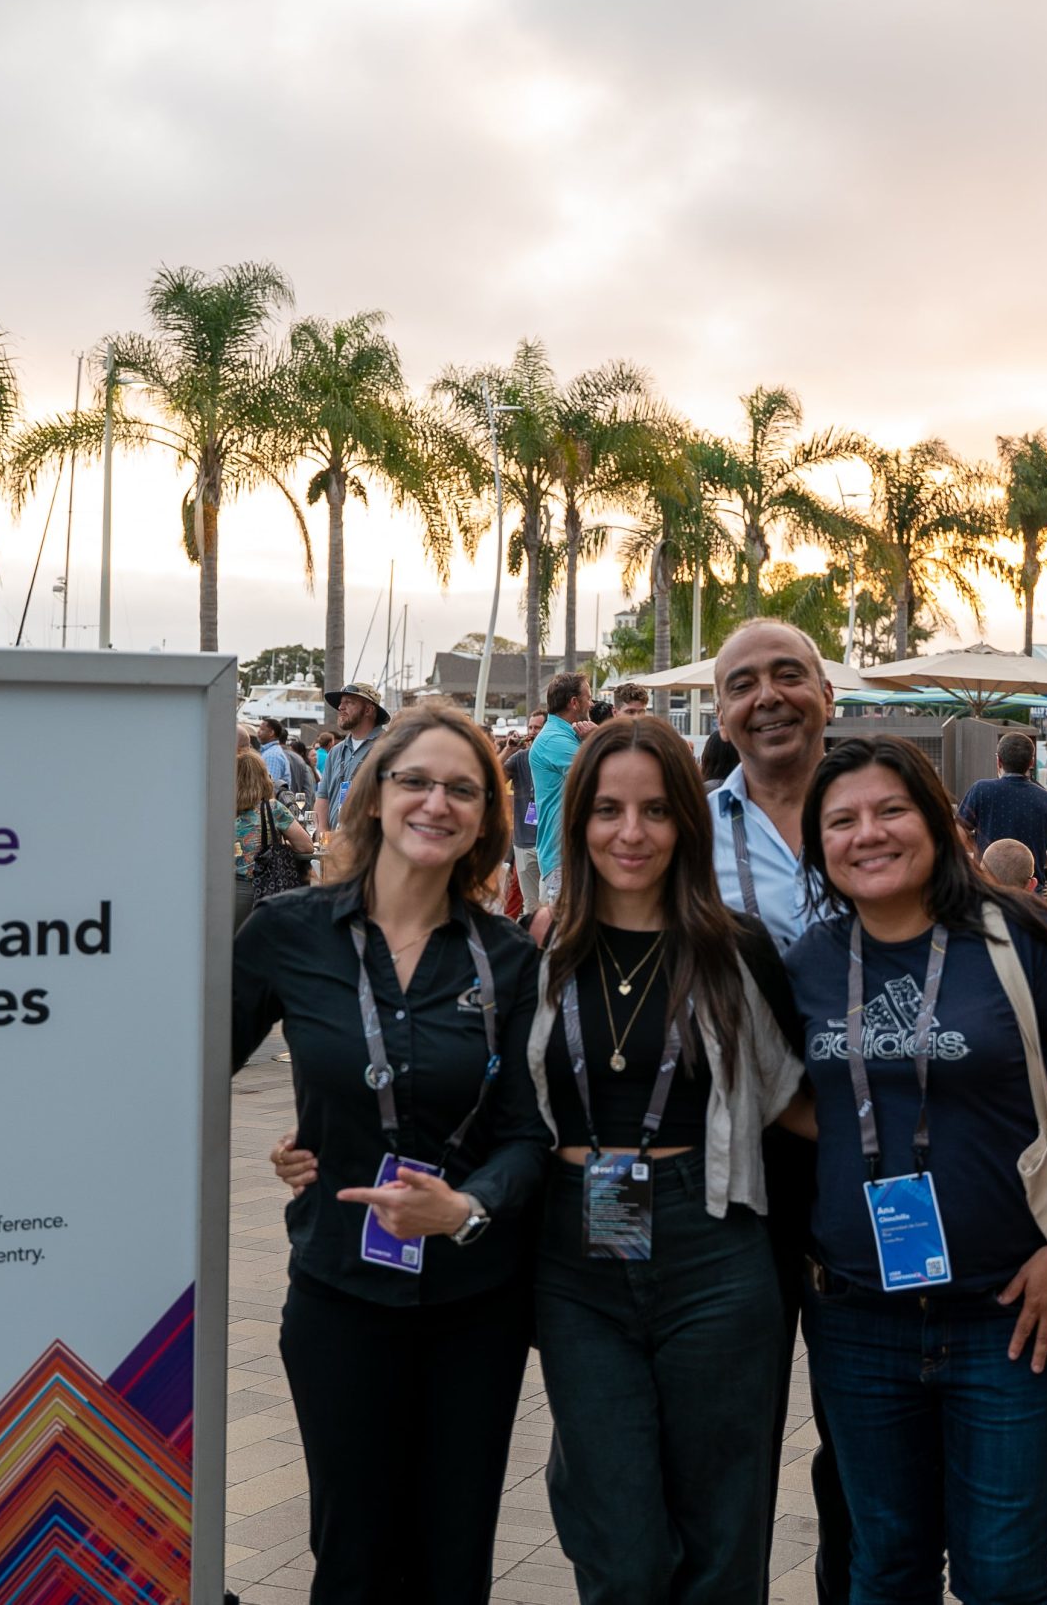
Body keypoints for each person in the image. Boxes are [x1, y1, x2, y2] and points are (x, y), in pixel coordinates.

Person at [786, 736, 1047, 1604]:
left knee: (1004, 1576)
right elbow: (777, 1094)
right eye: (843, 820)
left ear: (942, 822)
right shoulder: (807, 963)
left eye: (891, 810)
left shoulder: (1026, 938)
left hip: (1008, 1314)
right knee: (886, 1568)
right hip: (858, 1317)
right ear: (819, 843)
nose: (869, 833)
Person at [232, 703, 547, 1605]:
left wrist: (468, 1206)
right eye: (416, 781)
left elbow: (530, 1134)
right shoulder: (290, 933)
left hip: (474, 1306)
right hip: (338, 1293)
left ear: (486, 817)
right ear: (375, 797)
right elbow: (192, 1068)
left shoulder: (508, 959)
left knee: (453, 1559)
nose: (436, 803)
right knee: (353, 1552)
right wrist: (291, 1147)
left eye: (462, 789)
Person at [519, 716, 804, 1603]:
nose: (630, 832)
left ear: (687, 820)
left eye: (653, 810)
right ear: (578, 822)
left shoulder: (733, 949)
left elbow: (794, 1106)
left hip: (712, 1245)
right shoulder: (538, 950)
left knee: (723, 1531)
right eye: (607, 810)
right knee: (618, 1533)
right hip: (574, 1257)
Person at [704, 618, 852, 1601]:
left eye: (788, 675)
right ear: (717, 710)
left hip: (870, 1166)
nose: (767, 697)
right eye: (742, 683)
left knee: (862, 1441)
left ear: (825, 695)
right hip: (737, 1177)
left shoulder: (883, 810)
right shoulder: (681, 826)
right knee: (730, 1445)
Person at [956, 734, 1047, 881]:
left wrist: (977, 863)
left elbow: (957, 834)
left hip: (988, 885)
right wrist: (1031, 865)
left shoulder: (981, 790)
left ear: (999, 761)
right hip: (1030, 890)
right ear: (1031, 762)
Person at [232, 747, 314, 929]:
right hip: (262, 889)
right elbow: (306, 846)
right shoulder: (273, 809)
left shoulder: (221, 807)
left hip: (222, 890)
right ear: (263, 778)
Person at [532, 673, 592, 902]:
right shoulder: (554, 740)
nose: (592, 703)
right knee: (568, 934)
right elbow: (602, 775)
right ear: (574, 703)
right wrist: (598, 738)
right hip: (563, 859)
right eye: (588, 697)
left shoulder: (566, 736)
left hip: (569, 856)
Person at [315, 683, 391, 835]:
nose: (341, 708)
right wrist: (322, 833)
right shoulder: (336, 751)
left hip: (370, 848)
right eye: (341, 703)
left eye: (349, 702)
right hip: (335, 847)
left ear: (369, 709)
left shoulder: (388, 749)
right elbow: (323, 797)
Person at [507, 711, 546, 912]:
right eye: (530, 727)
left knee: (548, 899)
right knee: (531, 904)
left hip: (548, 842)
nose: (532, 732)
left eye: (537, 728)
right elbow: (493, 777)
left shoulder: (552, 756)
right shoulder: (520, 758)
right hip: (523, 842)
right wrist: (507, 750)